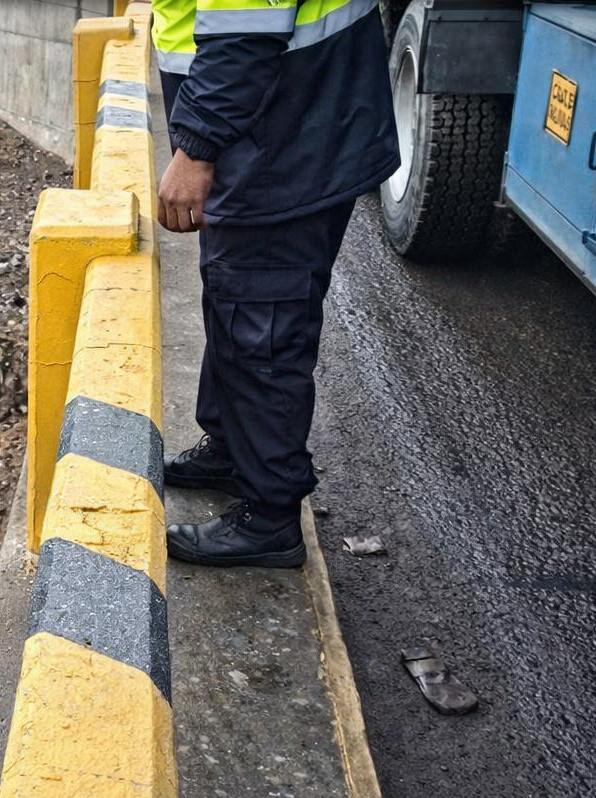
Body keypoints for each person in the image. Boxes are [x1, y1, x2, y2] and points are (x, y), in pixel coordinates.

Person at [152, 0, 398, 567]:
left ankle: (268, 516)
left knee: (260, 330)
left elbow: (244, 34)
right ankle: (234, 452)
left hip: (277, 143)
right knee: (234, 304)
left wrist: (196, 148)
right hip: (278, 134)